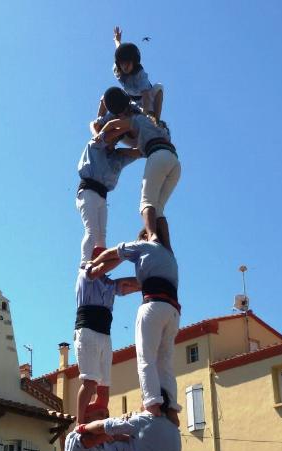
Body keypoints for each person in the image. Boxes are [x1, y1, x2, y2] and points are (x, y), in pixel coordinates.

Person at [89, 230, 181, 419]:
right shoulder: (169, 257)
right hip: (173, 311)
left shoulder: (144, 246)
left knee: (145, 358)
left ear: (145, 237)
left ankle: (152, 404)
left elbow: (112, 253)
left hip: (153, 306)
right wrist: (113, 285)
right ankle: (172, 409)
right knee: (165, 362)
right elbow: (133, 284)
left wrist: (93, 266)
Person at [95, 87, 180, 251]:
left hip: (158, 156)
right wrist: (119, 151)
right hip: (174, 161)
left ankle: (153, 238)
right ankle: (168, 249)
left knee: (146, 203)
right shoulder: (153, 125)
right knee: (158, 208)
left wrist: (101, 135)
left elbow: (113, 123)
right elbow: (138, 152)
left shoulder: (136, 119)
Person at [74, 246, 140, 424]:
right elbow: (100, 269)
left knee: (104, 391)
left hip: (104, 335)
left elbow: (131, 284)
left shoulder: (110, 285)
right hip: (87, 331)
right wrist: (123, 254)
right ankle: (80, 423)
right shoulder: (85, 274)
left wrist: (149, 277)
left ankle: (96, 420)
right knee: (90, 382)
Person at [77, 135, 140, 264]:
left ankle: (98, 265)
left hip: (102, 196)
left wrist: (121, 150)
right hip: (88, 191)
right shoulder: (95, 146)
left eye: (117, 139)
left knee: (101, 236)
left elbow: (139, 152)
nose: (113, 141)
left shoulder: (117, 158)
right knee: (92, 230)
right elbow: (98, 131)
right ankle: (84, 265)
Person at [111, 26, 163, 120]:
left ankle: (157, 121)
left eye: (128, 63)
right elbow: (120, 50)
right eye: (122, 64)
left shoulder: (140, 74)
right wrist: (117, 40)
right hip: (131, 100)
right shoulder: (117, 70)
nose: (125, 66)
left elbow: (146, 96)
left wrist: (146, 116)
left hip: (146, 99)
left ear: (134, 63)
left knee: (159, 87)